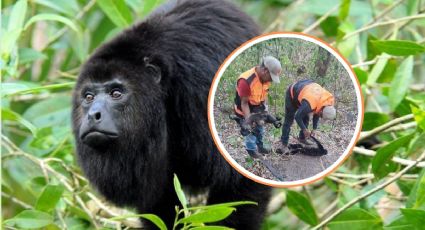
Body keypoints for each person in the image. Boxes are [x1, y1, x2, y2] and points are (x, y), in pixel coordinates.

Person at [234, 56, 282, 158]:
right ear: (265, 70)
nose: (271, 81)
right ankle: (251, 150)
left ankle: (260, 146)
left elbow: (264, 95)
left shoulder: (266, 79)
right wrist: (249, 121)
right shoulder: (246, 81)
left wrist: (265, 111)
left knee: (260, 129)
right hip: (245, 109)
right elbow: (244, 103)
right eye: (271, 77)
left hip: (257, 109)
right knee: (252, 132)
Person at [279, 79, 336, 154]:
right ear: (322, 111)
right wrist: (304, 129)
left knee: (306, 117)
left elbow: (317, 112)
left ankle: (302, 138)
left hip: (306, 94)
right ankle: (284, 144)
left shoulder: (327, 102)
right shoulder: (310, 103)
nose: (320, 117)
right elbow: (297, 117)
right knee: (289, 120)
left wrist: (314, 128)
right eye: (321, 116)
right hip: (292, 94)